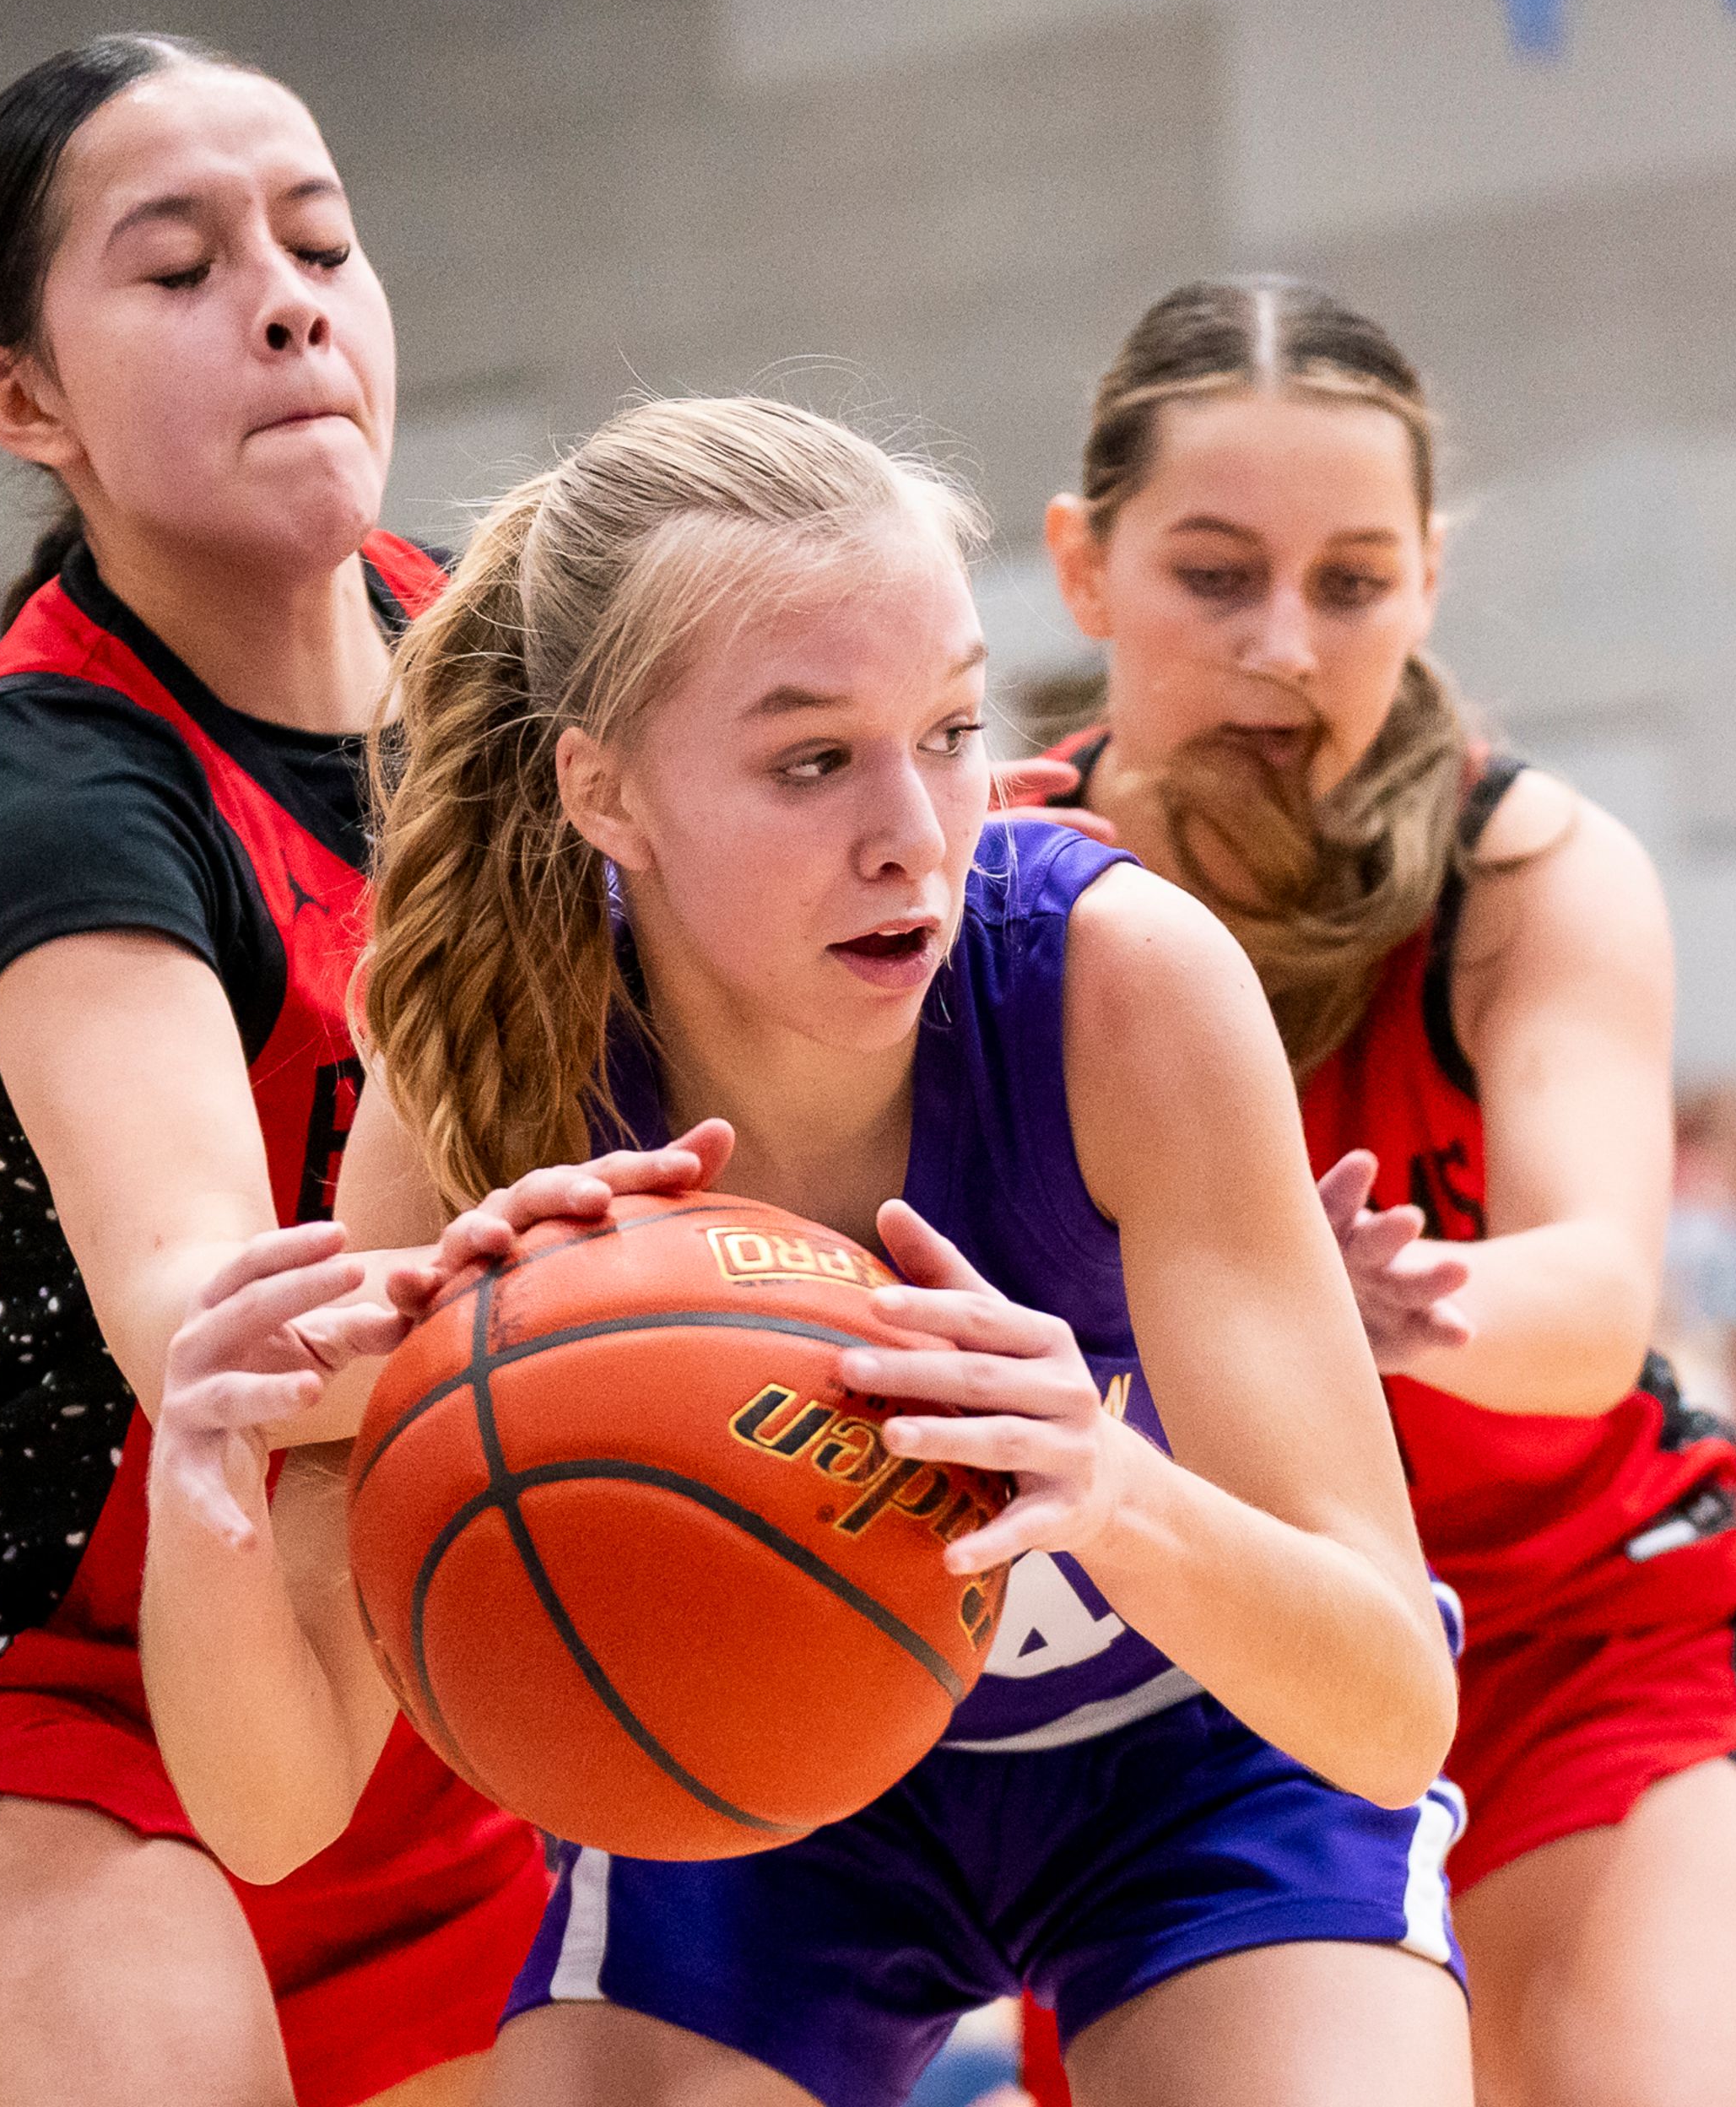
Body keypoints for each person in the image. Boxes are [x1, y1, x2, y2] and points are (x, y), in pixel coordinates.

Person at [139, 394, 1469, 2107]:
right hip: (754, 1773)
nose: (913, 823)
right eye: (812, 757)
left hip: (1201, 1757)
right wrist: (212, 1454)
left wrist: (1110, 1482)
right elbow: (272, 1809)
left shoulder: (1124, 983)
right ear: (603, 791)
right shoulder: (496, 1059)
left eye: (950, 728)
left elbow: (1387, 1700)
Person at [0, 33, 561, 2107]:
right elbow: (219, 1330)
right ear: (23, 403)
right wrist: (557, 1170)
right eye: (177, 269)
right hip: (18, 1690)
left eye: (320, 241)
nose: (286, 296)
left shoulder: (509, 662)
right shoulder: (49, 776)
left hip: (404, 1672)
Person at [1022, 276, 1736, 2105]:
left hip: (1573, 1647)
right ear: (1085, 569)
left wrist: (1391, 1306)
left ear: (1429, 580)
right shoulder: (988, 888)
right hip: (1207, 1701)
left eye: (1354, 580)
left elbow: (1593, 1301)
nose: (1288, 645)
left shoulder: (1527, 871)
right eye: (1215, 575)